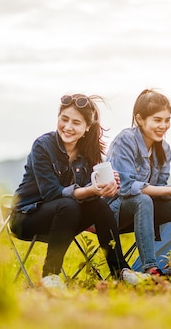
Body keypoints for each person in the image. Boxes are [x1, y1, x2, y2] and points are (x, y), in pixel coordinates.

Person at [10, 93, 148, 289]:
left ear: (87, 128)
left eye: (76, 122)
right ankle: (50, 276)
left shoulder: (87, 153)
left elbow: (89, 195)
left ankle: (121, 272)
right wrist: (92, 189)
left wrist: (107, 186)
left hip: (64, 219)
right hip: (27, 217)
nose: (68, 127)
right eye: (64, 119)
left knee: (98, 205)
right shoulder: (43, 146)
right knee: (68, 204)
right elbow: (52, 194)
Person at [106, 89, 171, 276]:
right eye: (157, 120)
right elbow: (127, 188)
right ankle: (151, 268)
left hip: (143, 211)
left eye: (167, 120)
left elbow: (159, 189)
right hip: (113, 210)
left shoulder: (164, 149)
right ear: (140, 119)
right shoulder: (125, 140)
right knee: (143, 200)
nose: (164, 125)